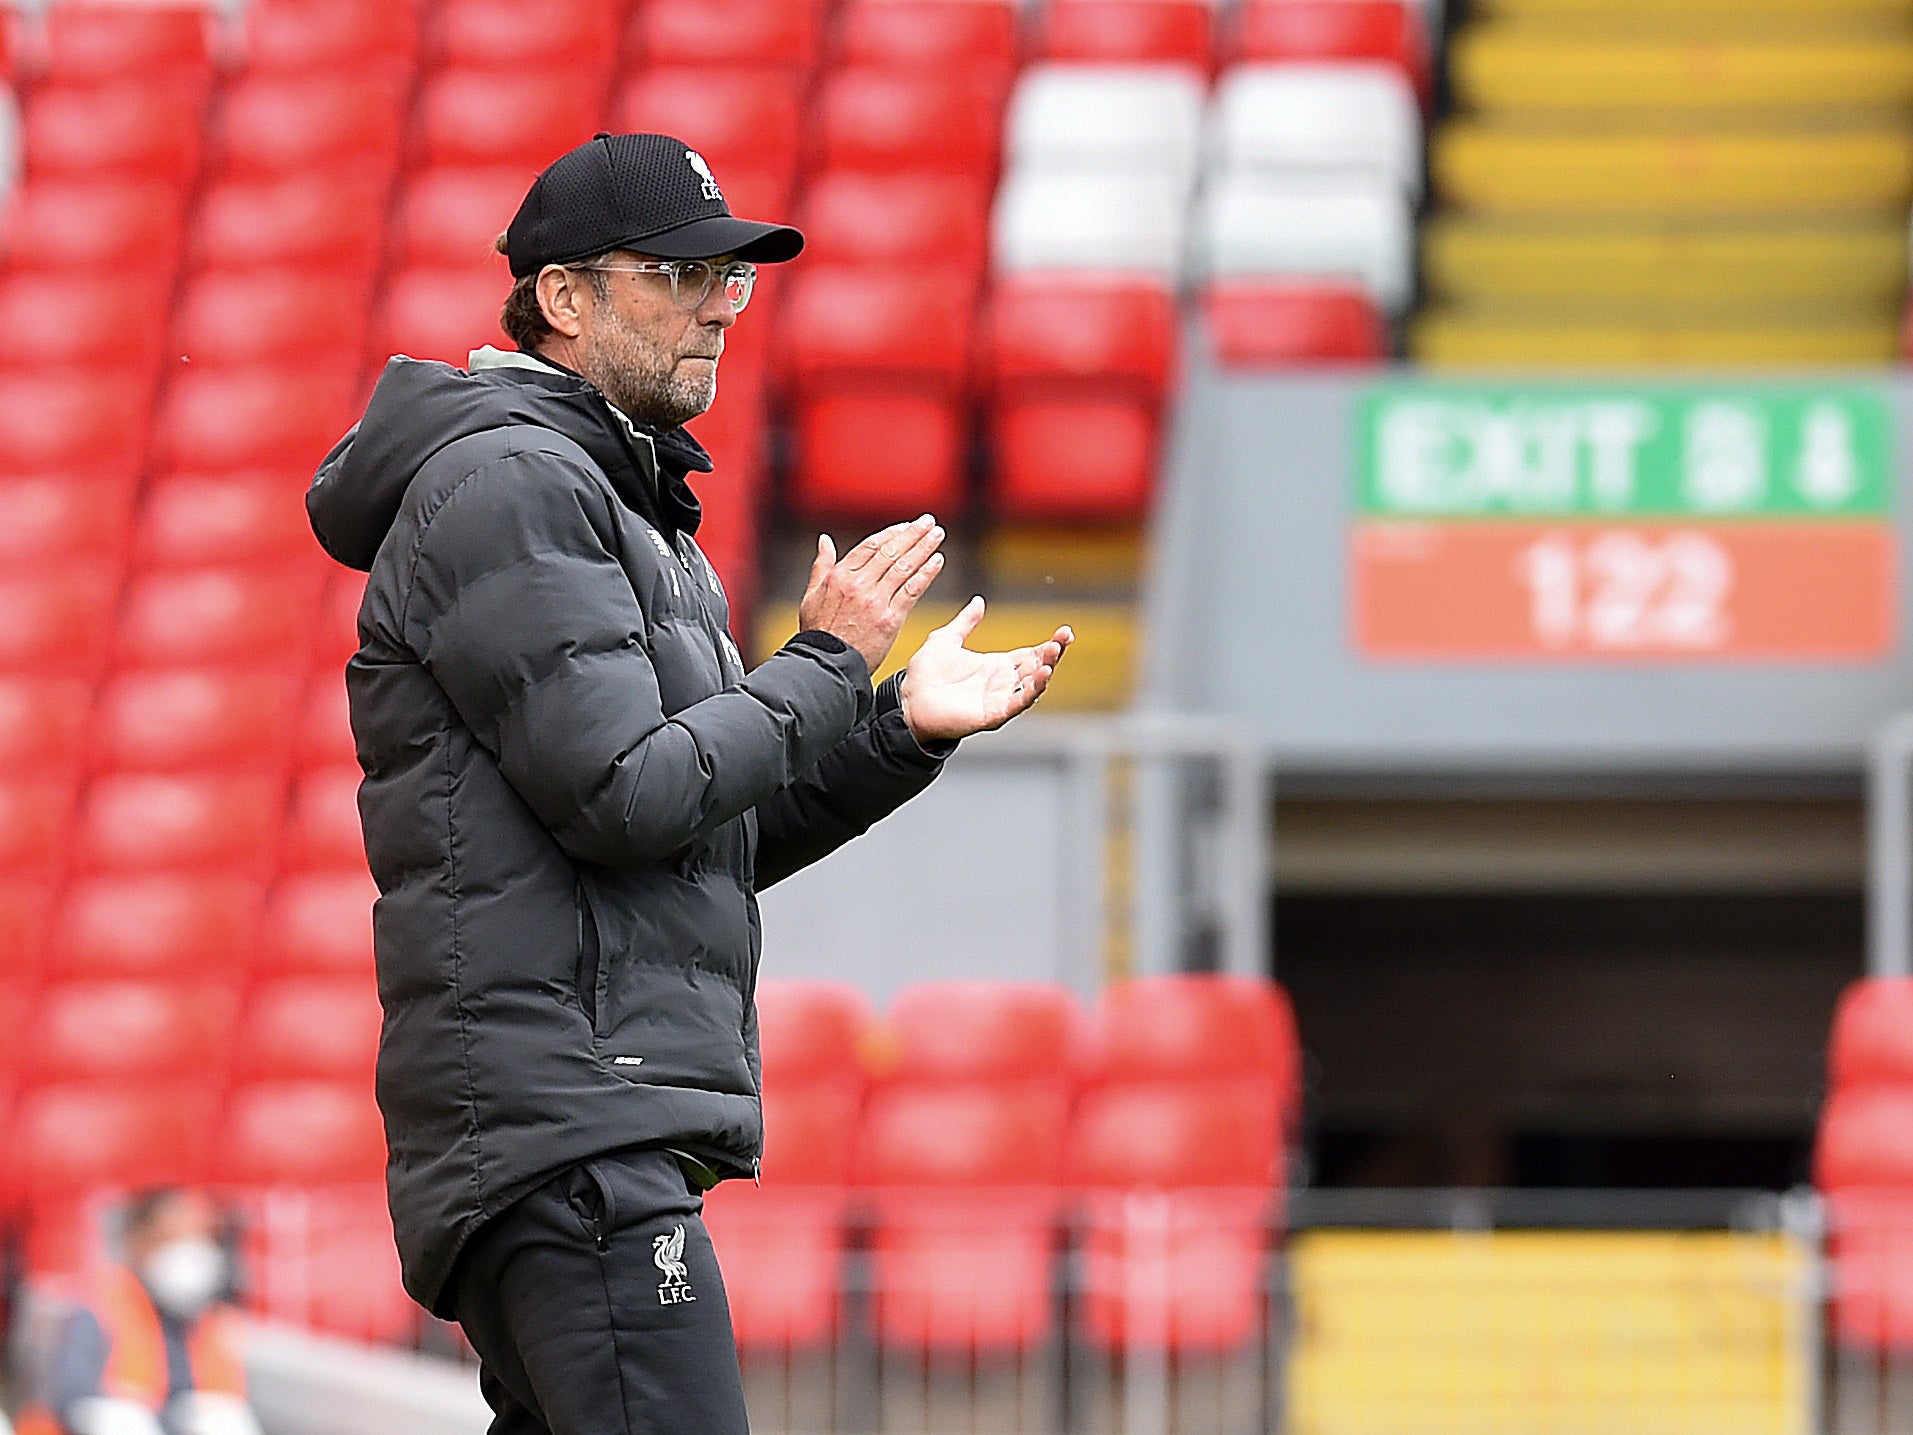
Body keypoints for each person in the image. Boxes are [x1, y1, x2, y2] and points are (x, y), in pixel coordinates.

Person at [305, 132, 1072, 1435]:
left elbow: (697, 828)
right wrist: (826, 659)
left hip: (567, 1132)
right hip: (570, 1139)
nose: (721, 301)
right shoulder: (510, 483)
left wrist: (897, 726)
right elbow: (627, 792)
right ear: (565, 297)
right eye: (677, 272)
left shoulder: (612, 500)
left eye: (734, 276)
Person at [14, 1189, 257, 1435]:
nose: (187, 1252)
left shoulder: (213, 1320)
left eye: (199, 1239)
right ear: (137, 1241)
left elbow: (216, 1397)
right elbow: (68, 1395)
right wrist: (109, 1415)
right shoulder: (98, 1305)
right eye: (170, 1239)